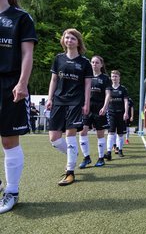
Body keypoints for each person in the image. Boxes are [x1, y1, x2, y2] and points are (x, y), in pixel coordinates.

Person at [0, 0, 37, 214]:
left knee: (8, 140)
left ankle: (12, 192)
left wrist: (22, 83)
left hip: (10, 83)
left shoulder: (21, 17)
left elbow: (27, 53)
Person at [46, 28, 92, 186]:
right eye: (67, 38)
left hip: (75, 102)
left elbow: (87, 85)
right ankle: (72, 153)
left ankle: (70, 172)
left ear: (78, 42)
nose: (69, 40)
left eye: (72, 38)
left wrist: (86, 103)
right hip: (58, 100)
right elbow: (53, 80)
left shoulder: (85, 62)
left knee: (70, 135)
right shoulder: (58, 59)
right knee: (54, 138)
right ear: (63, 40)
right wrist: (50, 98)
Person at [78, 55, 111, 168]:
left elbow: (108, 94)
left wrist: (105, 106)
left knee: (100, 134)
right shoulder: (86, 77)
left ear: (101, 65)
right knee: (82, 132)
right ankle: (86, 157)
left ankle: (101, 158)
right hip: (87, 108)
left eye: (97, 62)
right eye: (92, 62)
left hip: (99, 109)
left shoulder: (105, 78)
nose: (94, 64)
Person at [104, 70, 129, 160]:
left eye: (116, 76)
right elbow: (106, 100)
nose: (114, 78)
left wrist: (126, 112)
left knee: (120, 134)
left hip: (121, 113)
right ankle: (109, 152)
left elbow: (126, 101)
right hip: (111, 113)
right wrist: (104, 108)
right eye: (112, 76)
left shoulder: (123, 89)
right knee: (110, 132)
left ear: (119, 78)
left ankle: (120, 150)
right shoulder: (108, 88)